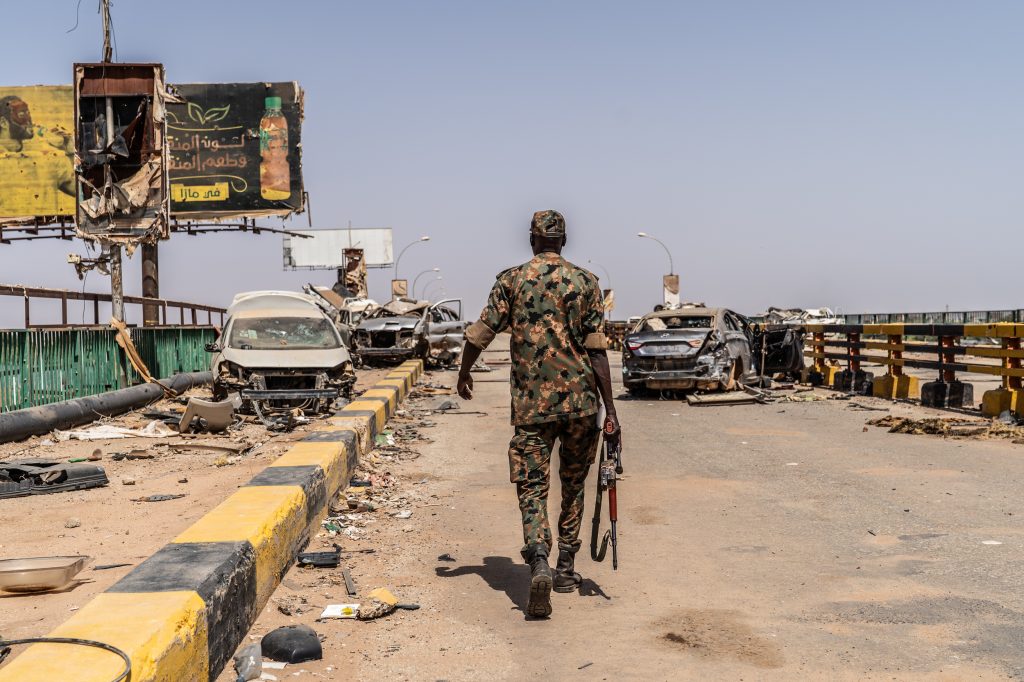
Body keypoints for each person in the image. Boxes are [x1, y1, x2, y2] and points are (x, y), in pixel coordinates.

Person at [457, 210, 621, 618]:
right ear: (563, 241)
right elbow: (597, 350)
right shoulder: (586, 282)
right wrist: (611, 410)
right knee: (574, 485)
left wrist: (463, 372)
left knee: (532, 488)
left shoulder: (511, 280)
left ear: (532, 240)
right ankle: (565, 569)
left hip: (531, 408)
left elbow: (481, 333)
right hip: (581, 404)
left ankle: (539, 560)